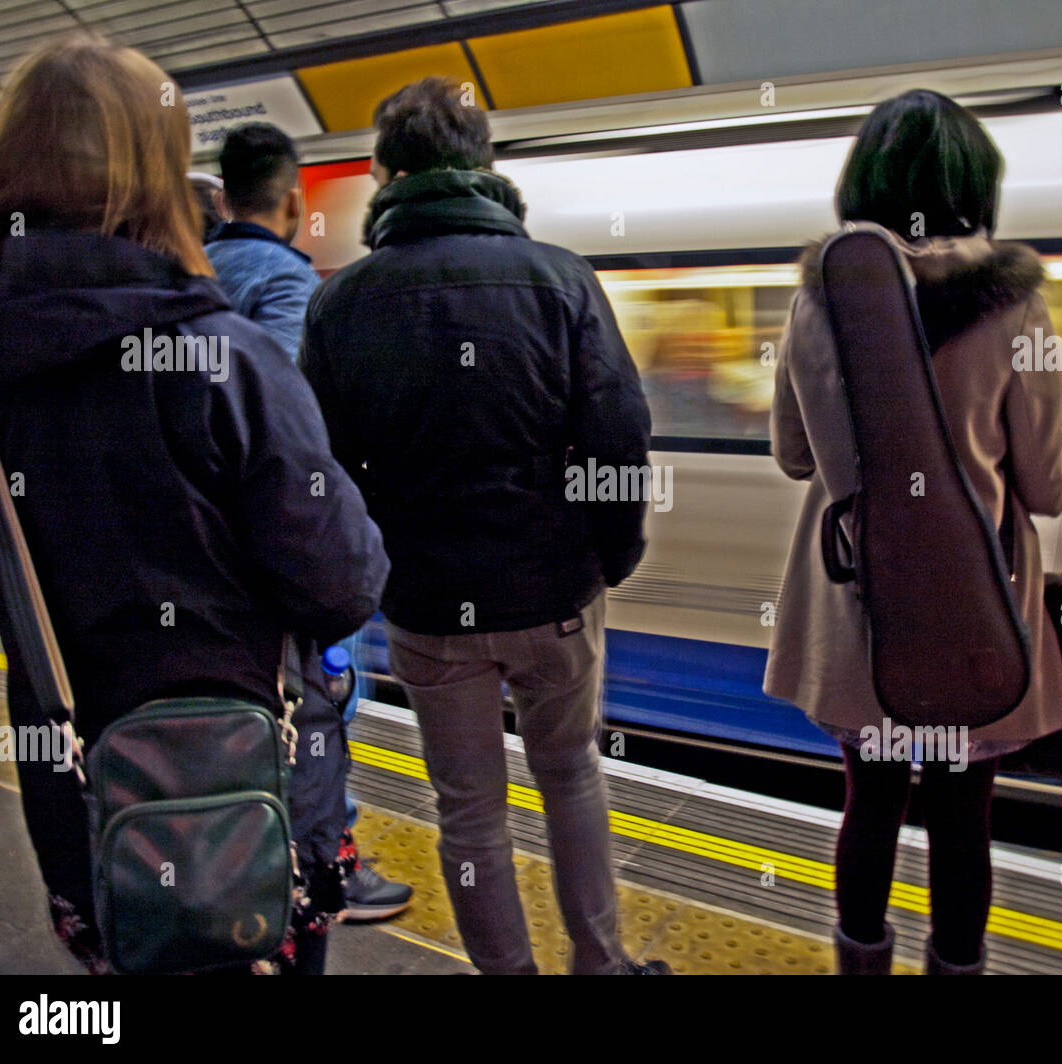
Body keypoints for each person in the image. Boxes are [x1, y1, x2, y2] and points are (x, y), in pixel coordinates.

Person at [0, 33, 390, 974]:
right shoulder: (230, 362)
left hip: (90, 818)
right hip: (259, 808)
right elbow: (342, 584)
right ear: (161, 180)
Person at [301, 77, 667, 975]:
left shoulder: (341, 304)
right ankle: (602, 962)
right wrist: (609, 559)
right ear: (486, 168)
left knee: (469, 810)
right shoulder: (560, 280)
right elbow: (619, 433)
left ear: (387, 175)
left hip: (428, 607)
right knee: (572, 775)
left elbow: (323, 472)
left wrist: (368, 580)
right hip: (557, 596)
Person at [764, 88, 1062, 975]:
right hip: (976, 611)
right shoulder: (1018, 308)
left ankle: (859, 964)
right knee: (961, 814)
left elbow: (793, 456)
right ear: (976, 183)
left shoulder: (818, 303)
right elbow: (1046, 489)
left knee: (870, 802)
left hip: (862, 606)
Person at [205, 122, 413, 924]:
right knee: (321, 700)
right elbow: (296, 430)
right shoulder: (286, 280)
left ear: (221, 197)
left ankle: (238, 849)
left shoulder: (196, 272)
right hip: (277, 542)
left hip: (208, 553)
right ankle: (327, 864)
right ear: (292, 200)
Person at [205, 123, 321, 362]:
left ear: (225, 201)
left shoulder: (188, 265)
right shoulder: (290, 278)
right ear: (293, 202)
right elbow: (284, 384)